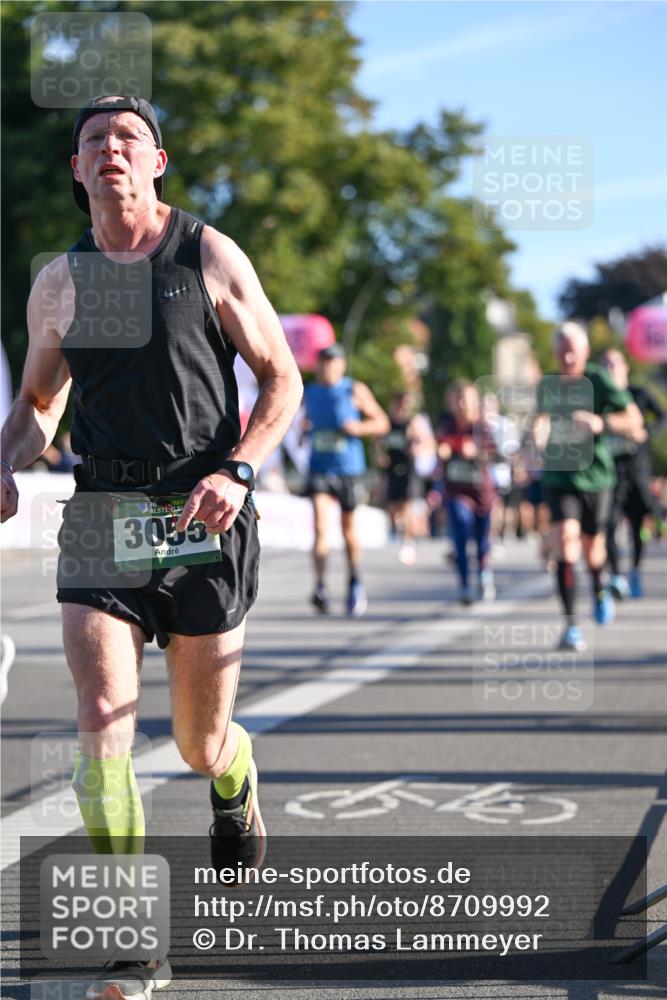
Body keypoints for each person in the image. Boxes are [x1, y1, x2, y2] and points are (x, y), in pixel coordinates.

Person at [0, 95, 302, 1000]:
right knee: (100, 722)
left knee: (198, 742)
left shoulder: (205, 252)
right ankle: (135, 939)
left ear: (158, 161)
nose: (111, 151)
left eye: (128, 138)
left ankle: (233, 779)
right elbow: (40, 405)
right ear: (77, 168)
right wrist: (9, 459)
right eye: (94, 141)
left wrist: (241, 470)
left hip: (204, 508)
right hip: (103, 508)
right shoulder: (59, 280)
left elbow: (281, 379)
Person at [530, 322, 644, 651]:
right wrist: (538, 433)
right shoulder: (548, 385)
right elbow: (540, 419)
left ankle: (599, 587)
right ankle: (570, 625)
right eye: (561, 350)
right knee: (566, 545)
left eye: (573, 350)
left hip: (596, 477)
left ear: (585, 352)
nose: (567, 356)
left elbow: (634, 420)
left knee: (594, 550)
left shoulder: (599, 379)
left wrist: (602, 422)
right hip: (559, 476)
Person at [303, 343, 389, 616]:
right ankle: (319, 587)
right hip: (319, 467)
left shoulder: (354, 389)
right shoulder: (310, 392)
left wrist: (359, 427)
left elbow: (382, 423)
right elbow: (304, 420)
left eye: (332, 362)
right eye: (323, 361)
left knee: (348, 529)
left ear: (341, 365)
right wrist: (304, 429)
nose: (327, 366)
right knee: (319, 526)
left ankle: (354, 579)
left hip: (348, 469)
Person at [598, 348, 665, 598]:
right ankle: (616, 575)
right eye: (604, 365)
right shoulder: (599, 399)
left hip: (636, 468)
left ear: (625, 368)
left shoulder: (638, 394)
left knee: (637, 523)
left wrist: (646, 432)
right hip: (609, 470)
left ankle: (635, 569)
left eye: (614, 364)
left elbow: (662, 416)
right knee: (609, 522)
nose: (610, 370)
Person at [436, 380, 497, 604]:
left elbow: (495, 454)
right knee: (460, 532)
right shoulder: (445, 426)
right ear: (451, 402)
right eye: (457, 399)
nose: (462, 404)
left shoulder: (481, 427)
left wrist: (477, 452)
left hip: (481, 493)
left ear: (474, 401)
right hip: (455, 490)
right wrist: (440, 453)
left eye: (466, 398)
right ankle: (464, 586)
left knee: (481, 541)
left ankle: (483, 573)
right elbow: (438, 447)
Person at [375, 390, 435, 565]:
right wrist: (380, 455)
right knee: (393, 509)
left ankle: (408, 544)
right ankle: (401, 532)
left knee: (407, 506)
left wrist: (417, 448)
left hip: (409, 469)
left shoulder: (414, 422)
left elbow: (429, 443)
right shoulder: (388, 422)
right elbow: (377, 442)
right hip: (392, 468)